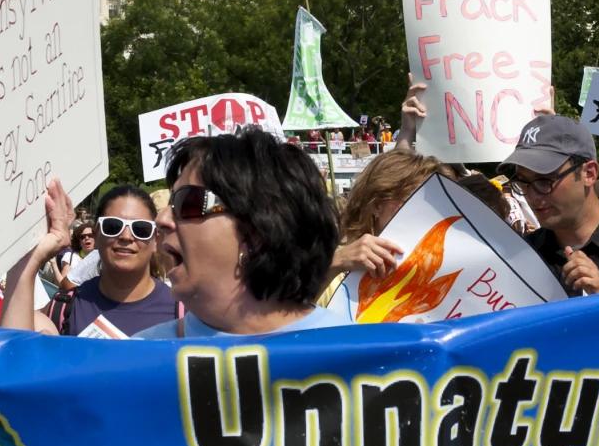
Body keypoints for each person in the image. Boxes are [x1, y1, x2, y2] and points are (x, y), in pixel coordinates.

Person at [136, 127, 346, 339]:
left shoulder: (361, 358)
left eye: (187, 202)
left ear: (256, 231)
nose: (161, 219)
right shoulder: (137, 360)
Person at [504, 115, 599, 296]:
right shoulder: (519, 256)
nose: (532, 195)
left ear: (589, 174)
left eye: (544, 180)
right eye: (523, 182)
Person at [62, 184, 181, 337]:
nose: (126, 236)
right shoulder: (64, 309)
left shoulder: (185, 313)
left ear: (155, 241)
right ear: (97, 236)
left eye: (141, 229)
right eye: (112, 226)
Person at [334, 148, 442, 278]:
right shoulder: (335, 266)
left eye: (432, 205)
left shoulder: (440, 259)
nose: (426, 213)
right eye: (411, 201)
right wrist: (336, 263)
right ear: (377, 205)